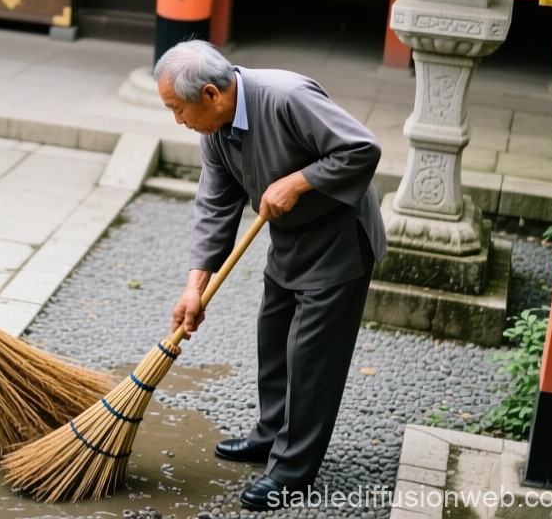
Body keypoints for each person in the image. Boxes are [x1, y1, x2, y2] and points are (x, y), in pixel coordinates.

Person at [156, 39, 386, 510]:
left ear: (210, 96)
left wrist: (299, 181)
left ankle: (293, 471)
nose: (177, 120)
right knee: (274, 338)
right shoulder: (215, 131)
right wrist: (193, 288)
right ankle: (269, 434)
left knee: (310, 360)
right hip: (288, 241)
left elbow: (363, 148)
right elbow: (215, 207)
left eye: (177, 109)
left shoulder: (286, 97)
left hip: (338, 239)